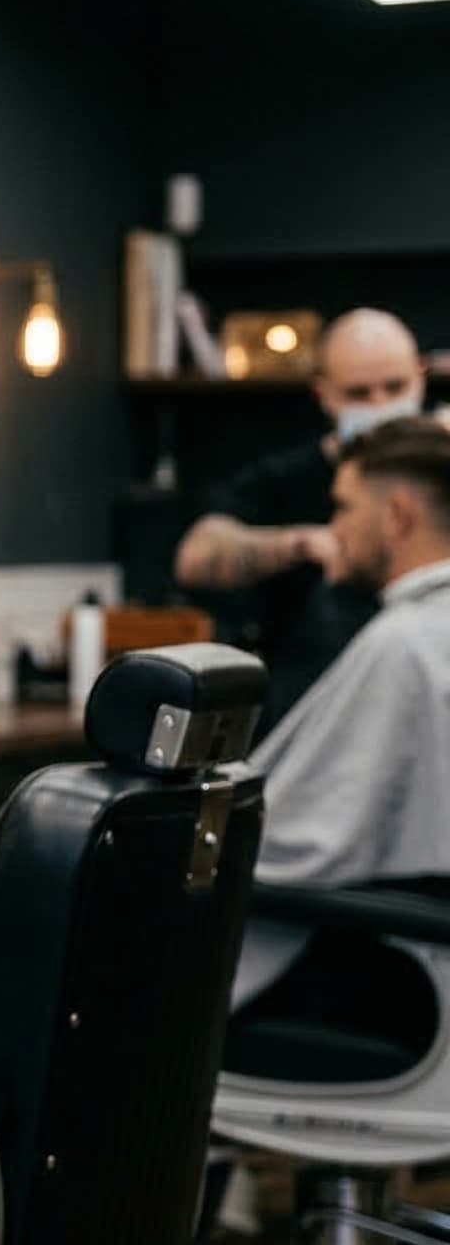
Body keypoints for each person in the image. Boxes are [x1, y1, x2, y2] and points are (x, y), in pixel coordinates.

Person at [231, 416, 450, 1009]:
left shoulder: (405, 643)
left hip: (389, 960)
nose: (335, 529)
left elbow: (300, 845)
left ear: (398, 516)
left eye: (344, 508)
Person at [175, 308, 433, 730]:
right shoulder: (285, 479)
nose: (381, 404)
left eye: (394, 387)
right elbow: (195, 556)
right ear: (324, 394)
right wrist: (303, 544)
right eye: (359, 393)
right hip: (314, 710)